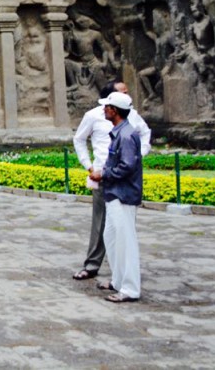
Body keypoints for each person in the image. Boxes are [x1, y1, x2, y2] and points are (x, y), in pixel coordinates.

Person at [71, 81, 152, 281]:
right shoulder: (94, 116)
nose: (128, 96)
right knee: (103, 225)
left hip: (121, 179)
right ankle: (96, 265)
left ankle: (125, 275)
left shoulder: (129, 122)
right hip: (103, 174)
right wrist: (89, 165)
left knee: (124, 228)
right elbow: (79, 139)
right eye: (122, 93)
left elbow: (144, 135)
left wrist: (138, 156)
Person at [89, 91, 143, 303]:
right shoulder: (118, 132)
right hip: (114, 193)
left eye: (107, 107)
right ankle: (118, 280)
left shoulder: (127, 135)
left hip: (123, 194)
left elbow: (127, 166)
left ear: (114, 110)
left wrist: (103, 174)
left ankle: (130, 288)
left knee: (125, 242)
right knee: (111, 238)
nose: (103, 109)